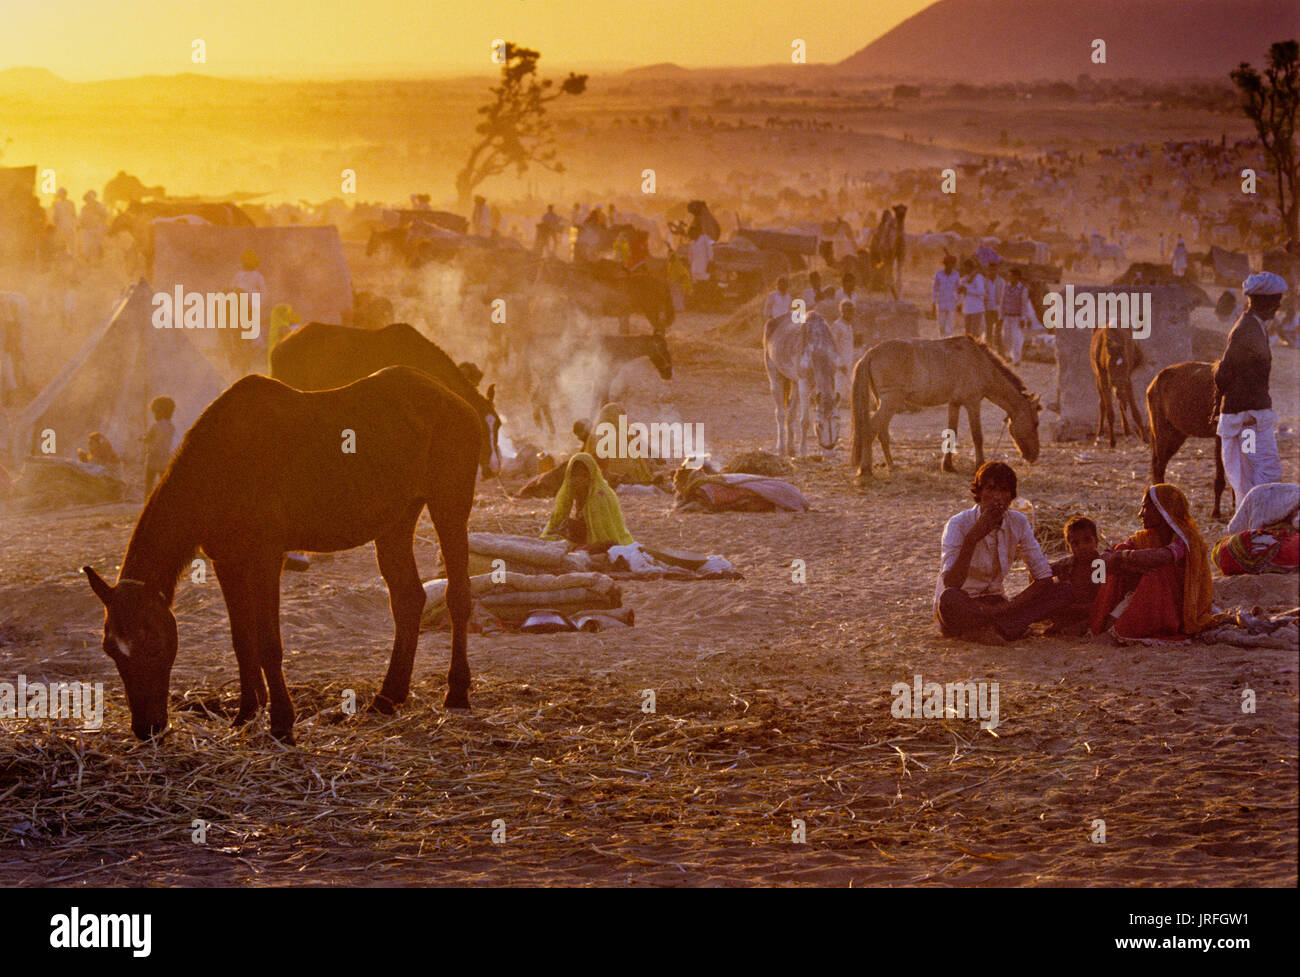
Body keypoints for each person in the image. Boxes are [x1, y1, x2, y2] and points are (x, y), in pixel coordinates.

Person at [935, 461, 1073, 642]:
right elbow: (951, 582)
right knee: (949, 600)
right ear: (979, 493)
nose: (997, 497)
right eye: (990, 489)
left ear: (1011, 497)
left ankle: (988, 628)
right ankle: (1003, 627)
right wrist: (972, 539)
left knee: (1063, 590)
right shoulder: (958, 524)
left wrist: (1003, 608)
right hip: (966, 603)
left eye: (1003, 490)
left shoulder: (1018, 522)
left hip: (997, 602)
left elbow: (1043, 577)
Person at [1090, 484, 1214, 641]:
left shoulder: (1186, 540)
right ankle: (1098, 613)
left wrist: (1123, 557)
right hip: (1144, 595)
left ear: (1163, 510)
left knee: (1158, 570)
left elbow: (1163, 556)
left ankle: (1135, 626)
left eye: (1145, 508)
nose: (1140, 514)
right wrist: (1124, 561)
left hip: (1179, 605)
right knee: (1117, 556)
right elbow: (1102, 561)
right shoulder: (1144, 538)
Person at [1213, 272, 1287, 503]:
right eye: (1275, 301)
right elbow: (1224, 371)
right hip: (1248, 421)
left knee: (1252, 476)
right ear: (1261, 301)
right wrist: (1230, 403)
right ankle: (1253, 528)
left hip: (1249, 418)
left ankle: (1251, 528)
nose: (1278, 306)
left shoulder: (1254, 326)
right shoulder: (1247, 330)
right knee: (1260, 475)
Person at [542, 452, 635, 550]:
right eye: (574, 475)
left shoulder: (598, 496)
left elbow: (600, 532)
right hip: (585, 534)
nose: (578, 479)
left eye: (583, 475)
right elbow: (560, 513)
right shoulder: (574, 490)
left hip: (599, 538)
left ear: (591, 475)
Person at [1046, 515, 1102, 636]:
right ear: (1069, 547)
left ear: (1096, 541)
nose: (1082, 547)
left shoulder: (1099, 565)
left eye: (1087, 540)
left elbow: (1100, 598)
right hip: (1067, 609)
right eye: (1075, 543)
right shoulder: (1067, 564)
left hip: (1089, 611)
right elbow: (1042, 572)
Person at [999, 267, 1039, 364]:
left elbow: (1024, 304)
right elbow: (1002, 301)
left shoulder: (1022, 289)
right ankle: (1008, 355)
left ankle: (1017, 359)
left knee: (1017, 338)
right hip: (1007, 316)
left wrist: (1023, 318)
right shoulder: (1006, 287)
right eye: (1009, 276)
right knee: (1006, 337)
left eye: (1011, 276)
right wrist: (1001, 316)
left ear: (1017, 277)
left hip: (1017, 317)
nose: (1010, 278)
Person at [141, 396, 176, 495]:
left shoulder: (155, 425)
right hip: (165, 457)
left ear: (159, 411)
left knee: (149, 482)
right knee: (163, 482)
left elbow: (148, 439)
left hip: (153, 457)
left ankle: (147, 501)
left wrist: (143, 439)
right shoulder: (171, 426)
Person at [829, 300, 856, 404]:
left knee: (850, 392)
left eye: (851, 311)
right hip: (840, 366)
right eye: (847, 311)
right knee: (838, 391)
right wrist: (839, 363)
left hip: (848, 364)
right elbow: (833, 346)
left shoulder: (849, 326)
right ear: (842, 311)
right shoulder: (837, 325)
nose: (849, 313)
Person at [932, 254, 960, 338]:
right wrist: (933, 301)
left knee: (950, 326)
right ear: (945, 264)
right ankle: (942, 340)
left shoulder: (956, 274)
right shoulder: (939, 274)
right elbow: (934, 288)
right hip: (941, 303)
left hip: (952, 303)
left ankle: (948, 342)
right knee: (941, 325)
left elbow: (958, 289)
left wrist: (960, 302)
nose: (950, 266)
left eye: (952, 264)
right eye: (949, 264)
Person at [957, 259, 986, 338]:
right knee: (968, 334)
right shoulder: (963, 279)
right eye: (964, 267)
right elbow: (959, 292)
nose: (965, 269)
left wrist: (968, 290)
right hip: (967, 309)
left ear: (971, 267)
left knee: (975, 334)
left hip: (977, 309)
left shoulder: (978, 277)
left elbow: (981, 292)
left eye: (967, 267)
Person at [78, 190, 108, 264]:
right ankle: (88, 262)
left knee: (96, 246)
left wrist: (99, 220)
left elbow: (105, 214)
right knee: (86, 246)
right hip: (86, 229)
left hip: (96, 228)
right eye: (88, 198)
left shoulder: (98, 205)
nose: (89, 199)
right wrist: (80, 225)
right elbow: (81, 218)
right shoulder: (84, 208)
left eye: (91, 197)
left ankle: (98, 262)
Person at [983, 262, 1005, 353]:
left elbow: (1003, 296)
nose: (992, 272)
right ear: (987, 271)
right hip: (988, 308)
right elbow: (983, 294)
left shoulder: (1001, 281)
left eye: (994, 270)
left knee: (998, 332)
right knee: (988, 330)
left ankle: (1001, 352)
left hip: (998, 309)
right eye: (990, 270)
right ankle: (989, 351)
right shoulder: (985, 281)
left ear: (997, 270)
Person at [51, 188, 76, 258]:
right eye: (60, 194)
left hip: (69, 224)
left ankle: (72, 255)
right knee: (60, 240)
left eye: (63, 193)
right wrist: (55, 224)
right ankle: (61, 255)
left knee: (71, 241)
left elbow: (74, 215)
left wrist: (74, 225)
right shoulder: (57, 204)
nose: (62, 195)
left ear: (65, 194)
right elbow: (55, 216)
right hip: (60, 225)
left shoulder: (71, 203)